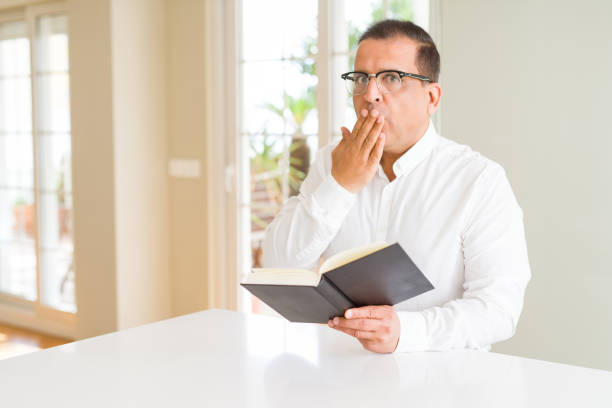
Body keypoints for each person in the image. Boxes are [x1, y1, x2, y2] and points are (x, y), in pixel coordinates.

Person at [262, 19, 531, 354]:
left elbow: (498, 309)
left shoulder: (479, 181)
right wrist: (340, 185)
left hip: (445, 386)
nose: (369, 94)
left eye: (391, 78)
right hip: (339, 376)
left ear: (432, 98)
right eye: (361, 78)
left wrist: (406, 331)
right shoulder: (332, 162)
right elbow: (276, 266)